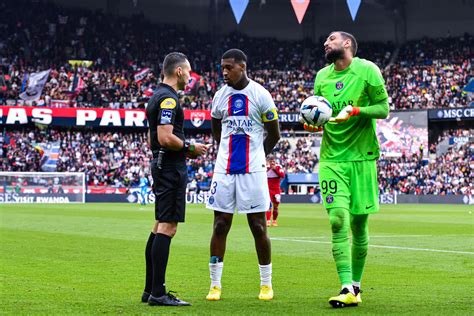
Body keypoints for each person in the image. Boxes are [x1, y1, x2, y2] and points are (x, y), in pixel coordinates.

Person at [303, 31, 389, 308]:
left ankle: (356, 287)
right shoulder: (321, 77)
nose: (325, 43)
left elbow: (383, 108)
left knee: (359, 223)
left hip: (362, 158)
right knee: (337, 220)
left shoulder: (367, 70)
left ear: (347, 43)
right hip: (331, 159)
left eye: (330, 39)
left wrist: (356, 110)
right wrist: (313, 124)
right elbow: (320, 112)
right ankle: (345, 286)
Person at [205, 49, 281, 301]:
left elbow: (274, 134)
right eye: (222, 68)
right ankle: (215, 285)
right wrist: (225, 151)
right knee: (220, 224)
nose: (224, 72)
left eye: (229, 67)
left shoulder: (261, 95)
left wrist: (258, 156)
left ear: (242, 67)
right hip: (224, 170)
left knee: (258, 226)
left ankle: (266, 284)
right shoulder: (219, 97)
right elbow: (216, 129)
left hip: (253, 171)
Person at [143, 52, 209, 306]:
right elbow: (164, 137)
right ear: (179, 71)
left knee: (158, 225)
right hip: (170, 167)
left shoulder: (156, 96)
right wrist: (189, 148)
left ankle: (150, 290)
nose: (190, 77)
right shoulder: (169, 99)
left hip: (162, 166)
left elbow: (154, 138)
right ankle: (158, 293)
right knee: (167, 228)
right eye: (189, 71)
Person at [266, 154, 285, 227]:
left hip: (276, 189)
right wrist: (268, 168)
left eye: (273, 160)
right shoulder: (265, 167)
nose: (272, 162)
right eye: (270, 160)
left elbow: (282, 175)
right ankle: (267, 221)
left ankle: (274, 220)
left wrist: (274, 169)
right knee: (268, 205)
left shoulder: (278, 167)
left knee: (276, 206)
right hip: (268, 189)